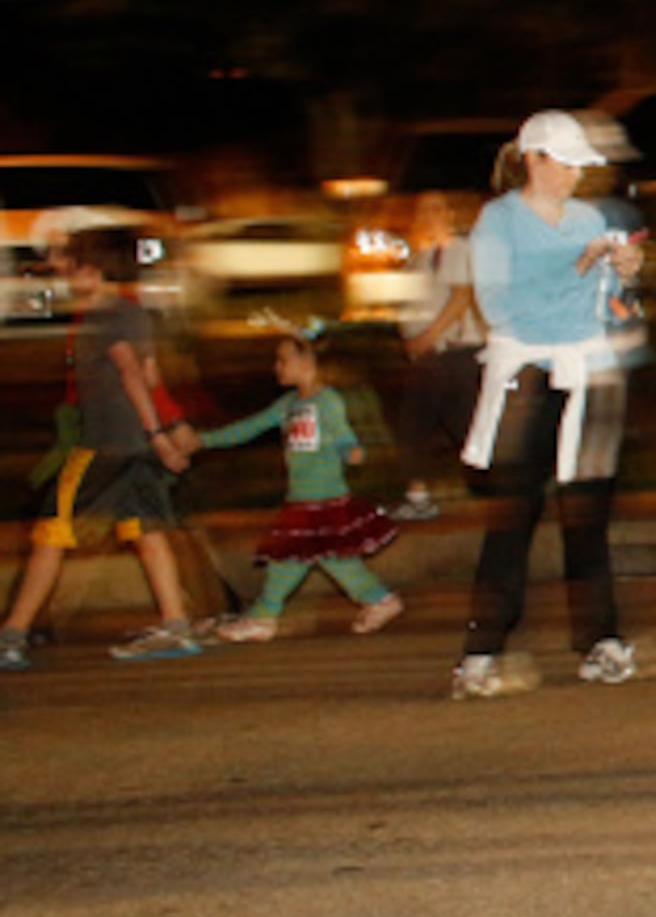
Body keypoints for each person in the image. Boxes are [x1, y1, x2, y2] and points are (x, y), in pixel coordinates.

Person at [450, 110, 644, 699]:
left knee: (587, 517)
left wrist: (625, 277)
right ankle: (481, 650)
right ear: (532, 159)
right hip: (527, 380)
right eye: (563, 164)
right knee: (514, 520)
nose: (572, 178)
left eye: (578, 167)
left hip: (586, 375)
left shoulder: (588, 217)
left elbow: (606, 303)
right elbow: (503, 308)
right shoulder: (498, 222)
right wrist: (578, 268)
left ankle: (601, 639)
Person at [0, 224, 209, 667]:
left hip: (106, 448)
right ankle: (175, 626)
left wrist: (158, 435)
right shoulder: (134, 312)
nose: (64, 274)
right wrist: (169, 429)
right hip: (136, 448)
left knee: (50, 535)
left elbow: (133, 374)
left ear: (91, 272)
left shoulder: (104, 317)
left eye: (71, 266)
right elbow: (152, 377)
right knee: (148, 534)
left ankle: (12, 635)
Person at [198, 321, 405, 641]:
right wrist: (204, 440)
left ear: (307, 361)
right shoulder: (288, 405)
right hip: (305, 498)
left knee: (290, 556)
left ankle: (264, 617)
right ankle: (380, 599)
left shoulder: (327, 402)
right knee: (333, 560)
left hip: (322, 500)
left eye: (283, 359)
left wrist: (351, 451)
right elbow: (249, 427)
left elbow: (344, 436)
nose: (276, 367)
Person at [395, 190, 483, 519]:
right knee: (425, 427)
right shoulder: (419, 256)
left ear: (449, 215)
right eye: (421, 210)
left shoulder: (456, 250)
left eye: (435, 209)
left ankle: (511, 489)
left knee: (458, 429)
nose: (426, 216)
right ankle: (419, 497)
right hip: (431, 356)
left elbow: (461, 297)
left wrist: (426, 338)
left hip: (452, 354)